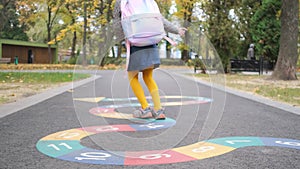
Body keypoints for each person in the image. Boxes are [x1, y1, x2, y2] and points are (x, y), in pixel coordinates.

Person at [113, 0, 186, 119]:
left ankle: (145, 108)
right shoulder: (148, 2)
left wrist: (122, 39)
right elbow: (160, 19)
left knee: (132, 77)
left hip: (135, 43)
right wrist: (177, 30)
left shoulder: (121, 2)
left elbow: (117, 24)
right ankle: (158, 110)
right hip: (151, 42)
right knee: (148, 77)